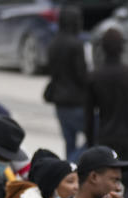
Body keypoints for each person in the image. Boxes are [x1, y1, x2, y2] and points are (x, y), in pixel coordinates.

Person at [84, 28, 128, 165]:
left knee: (107, 181)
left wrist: (90, 145)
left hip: (105, 138)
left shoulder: (94, 77)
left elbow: (89, 116)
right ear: (122, 48)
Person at [45, 4, 87, 161]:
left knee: (69, 142)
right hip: (76, 101)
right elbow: (81, 75)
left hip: (59, 101)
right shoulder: (76, 45)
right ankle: (71, 164)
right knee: (95, 136)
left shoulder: (53, 44)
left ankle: (69, 172)